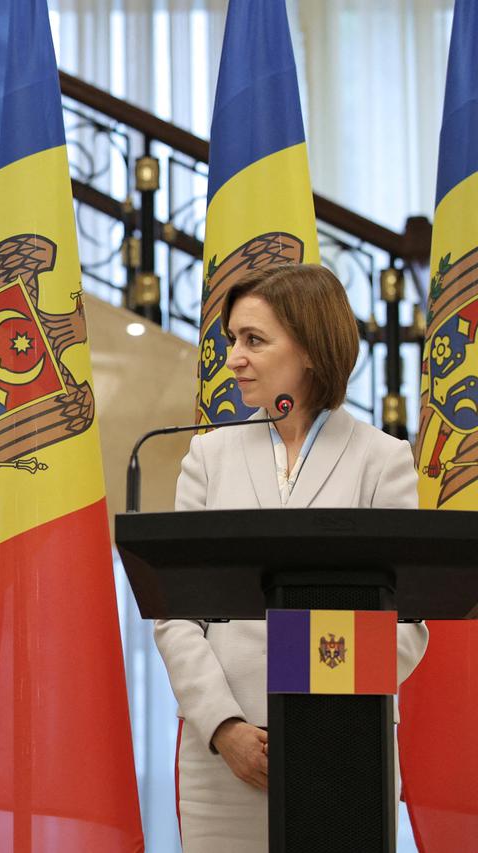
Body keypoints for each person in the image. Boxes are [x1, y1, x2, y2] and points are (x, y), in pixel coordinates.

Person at [153, 263, 428, 851]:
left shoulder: (383, 460)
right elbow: (177, 616)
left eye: (253, 340)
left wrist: (312, 711)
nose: (234, 358)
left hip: (347, 744)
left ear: (309, 348)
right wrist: (225, 727)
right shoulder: (209, 457)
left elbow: (406, 626)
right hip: (224, 758)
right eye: (232, 340)